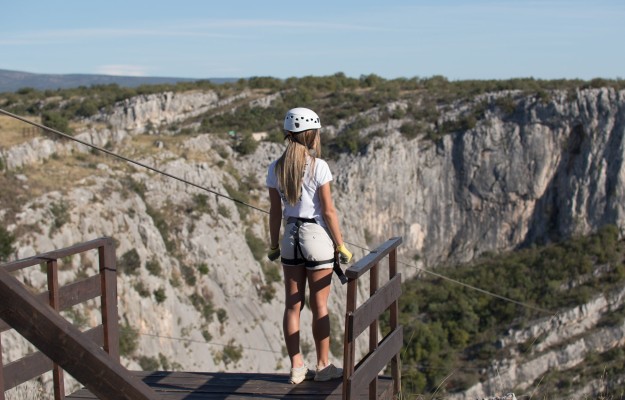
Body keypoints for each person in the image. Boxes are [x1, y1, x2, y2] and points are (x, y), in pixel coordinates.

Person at [266, 107, 353, 384]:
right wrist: (341, 245)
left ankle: (297, 366)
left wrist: (273, 244)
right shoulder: (319, 166)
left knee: (293, 306)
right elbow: (328, 212)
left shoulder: (276, 168)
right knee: (320, 307)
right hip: (316, 237)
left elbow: (275, 212)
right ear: (312, 135)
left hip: (290, 236)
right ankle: (324, 366)